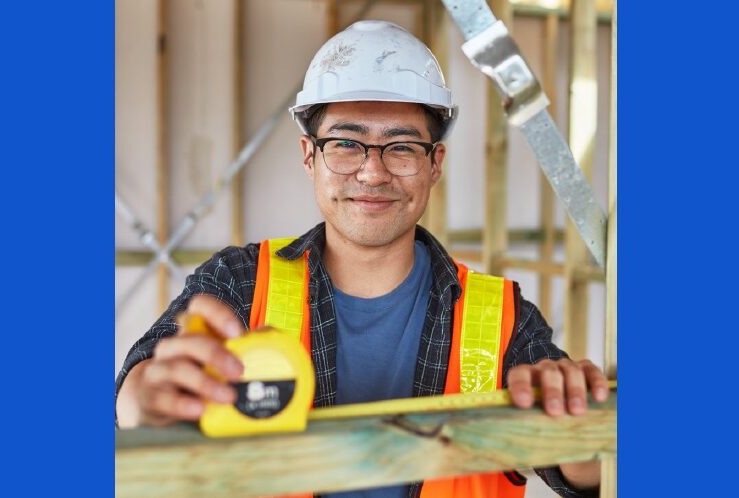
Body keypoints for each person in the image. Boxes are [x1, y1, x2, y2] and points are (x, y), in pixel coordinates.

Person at [116, 20, 609, 498]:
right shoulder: (241, 282)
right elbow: (131, 395)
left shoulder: (499, 315)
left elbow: (585, 476)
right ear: (309, 155)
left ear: (433, 164)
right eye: (346, 144)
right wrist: (149, 402)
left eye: (401, 147)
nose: (373, 173)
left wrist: (583, 423)